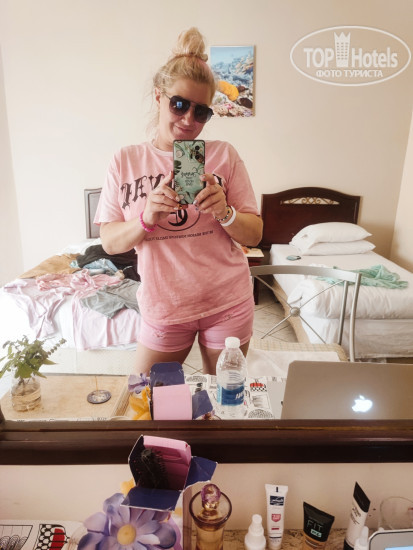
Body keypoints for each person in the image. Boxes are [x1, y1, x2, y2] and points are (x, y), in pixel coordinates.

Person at [94, 27, 263, 375]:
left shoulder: (224, 155)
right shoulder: (125, 160)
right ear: (159, 97)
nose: (188, 120)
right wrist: (146, 217)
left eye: (201, 112)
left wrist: (226, 212)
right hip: (164, 308)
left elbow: (255, 234)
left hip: (228, 301)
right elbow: (110, 243)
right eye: (179, 104)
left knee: (223, 399)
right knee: (147, 396)